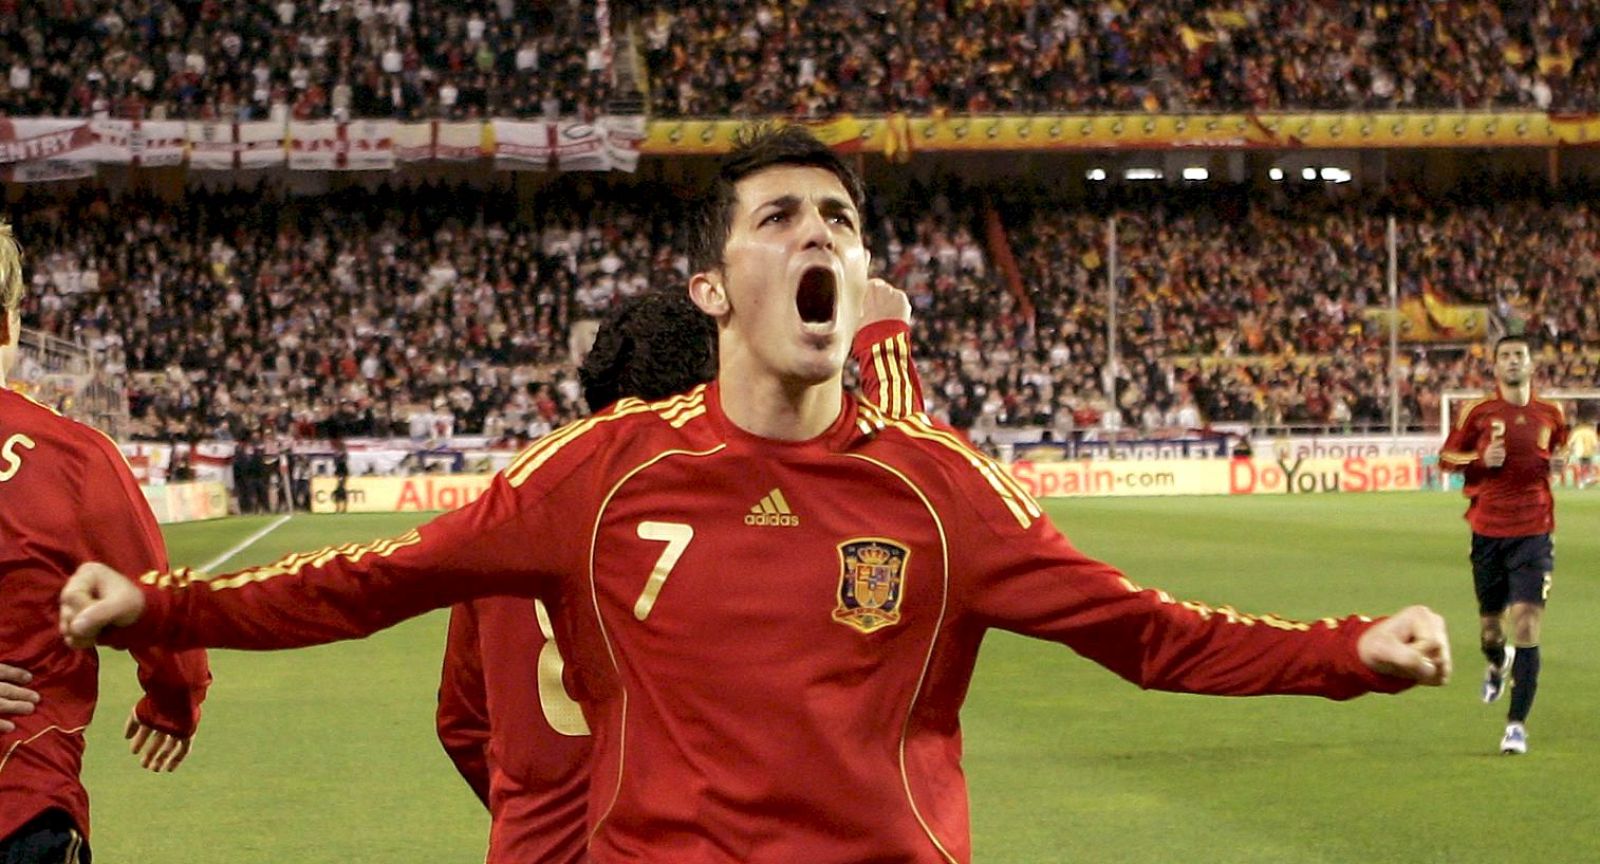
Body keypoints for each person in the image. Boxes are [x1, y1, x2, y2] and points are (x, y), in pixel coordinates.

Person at [60, 126, 1449, 863]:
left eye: (839, 220)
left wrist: (1349, 654)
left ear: (860, 277)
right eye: (780, 217)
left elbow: (1146, 633)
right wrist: (157, 606)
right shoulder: (598, 475)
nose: (817, 237)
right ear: (719, 288)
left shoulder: (944, 490)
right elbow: (369, 583)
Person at [435, 284, 919, 864]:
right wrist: (884, 346)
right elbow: (908, 497)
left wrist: (534, 811)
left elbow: (462, 722)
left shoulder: (515, 512)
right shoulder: (753, 518)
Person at [0, 222, 211, 862]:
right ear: (9, 324)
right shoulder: (73, 458)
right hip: (20, 796)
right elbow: (159, 610)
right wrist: (172, 704)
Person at [1438, 333, 1569, 754]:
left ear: (1532, 365)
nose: (1513, 362)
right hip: (1488, 531)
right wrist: (1479, 461)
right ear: (1495, 367)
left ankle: (1516, 725)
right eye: (1506, 356)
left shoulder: (1551, 413)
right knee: (1492, 630)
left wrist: (1558, 463)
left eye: (1520, 356)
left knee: (1527, 622)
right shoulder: (1477, 411)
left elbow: (1557, 451)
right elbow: (1445, 458)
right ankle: (1498, 662)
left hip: (1534, 530)